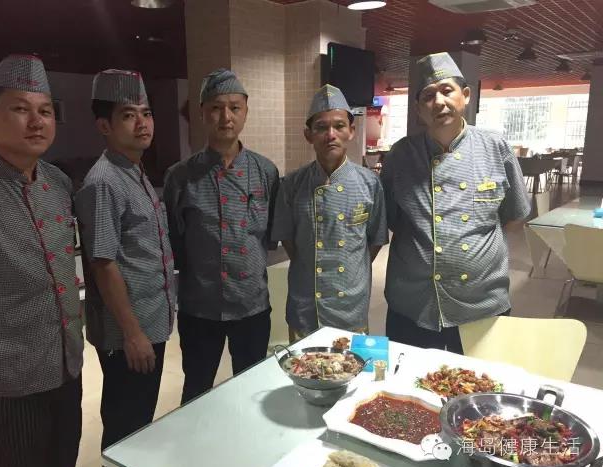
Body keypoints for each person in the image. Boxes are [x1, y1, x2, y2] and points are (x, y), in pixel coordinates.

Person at [0, 54, 83, 467]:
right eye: (20, 109)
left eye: (45, 111)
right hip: (10, 379)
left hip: (66, 365)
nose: (36, 122)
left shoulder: (58, 182)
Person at [380, 52, 531, 353]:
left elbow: (514, 216)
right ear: (418, 109)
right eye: (428, 96)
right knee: (410, 380)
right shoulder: (400, 155)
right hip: (414, 303)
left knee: (478, 381)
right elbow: (392, 219)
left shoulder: (496, 148)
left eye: (447, 90)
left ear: (466, 96)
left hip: (481, 303)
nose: (439, 102)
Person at [74, 69, 175, 467]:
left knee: (138, 421)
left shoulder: (133, 171)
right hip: (128, 333)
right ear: (104, 125)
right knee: (124, 426)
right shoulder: (104, 181)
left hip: (149, 323)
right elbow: (103, 262)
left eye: (146, 113)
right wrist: (133, 333)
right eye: (128, 115)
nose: (142, 123)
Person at [163, 68, 279, 404]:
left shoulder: (266, 172)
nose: (226, 117)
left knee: (252, 391)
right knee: (196, 391)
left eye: (234, 107)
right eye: (216, 107)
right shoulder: (180, 177)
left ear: (245, 112)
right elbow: (174, 239)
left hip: (252, 305)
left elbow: (270, 237)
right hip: (200, 307)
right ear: (202, 113)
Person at [271, 84, 388, 338]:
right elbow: (288, 239)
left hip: (351, 302)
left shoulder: (370, 183)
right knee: (303, 363)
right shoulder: (292, 184)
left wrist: (351, 267)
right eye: (321, 127)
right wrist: (309, 263)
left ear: (351, 131)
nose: (330, 135)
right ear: (308, 135)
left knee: (351, 363)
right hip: (305, 301)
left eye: (339, 126)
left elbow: (376, 240)